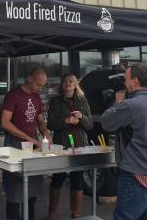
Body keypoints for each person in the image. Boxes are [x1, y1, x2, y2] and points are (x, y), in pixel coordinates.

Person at [101, 63, 147, 220]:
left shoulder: (132, 105)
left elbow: (106, 122)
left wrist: (118, 99)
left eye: (126, 79)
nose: (124, 82)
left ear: (135, 81)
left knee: (124, 217)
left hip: (136, 173)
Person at [0, 68, 50, 220]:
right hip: (14, 145)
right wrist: (29, 138)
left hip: (33, 147)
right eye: (38, 85)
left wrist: (45, 133)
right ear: (29, 79)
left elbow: (40, 120)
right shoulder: (13, 95)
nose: (40, 88)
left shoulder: (36, 97)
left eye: (43, 86)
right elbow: (4, 122)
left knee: (32, 191)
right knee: (15, 191)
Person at [47, 73, 93, 219]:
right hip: (62, 146)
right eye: (65, 81)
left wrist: (81, 118)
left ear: (75, 84)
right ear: (62, 85)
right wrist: (65, 121)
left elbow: (90, 125)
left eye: (70, 81)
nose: (67, 83)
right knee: (57, 178)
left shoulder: (82, 100)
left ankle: (76, 214)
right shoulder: (55, 102)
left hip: (79, 146)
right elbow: (50, 124)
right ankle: (52, 213)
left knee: (77, 179)